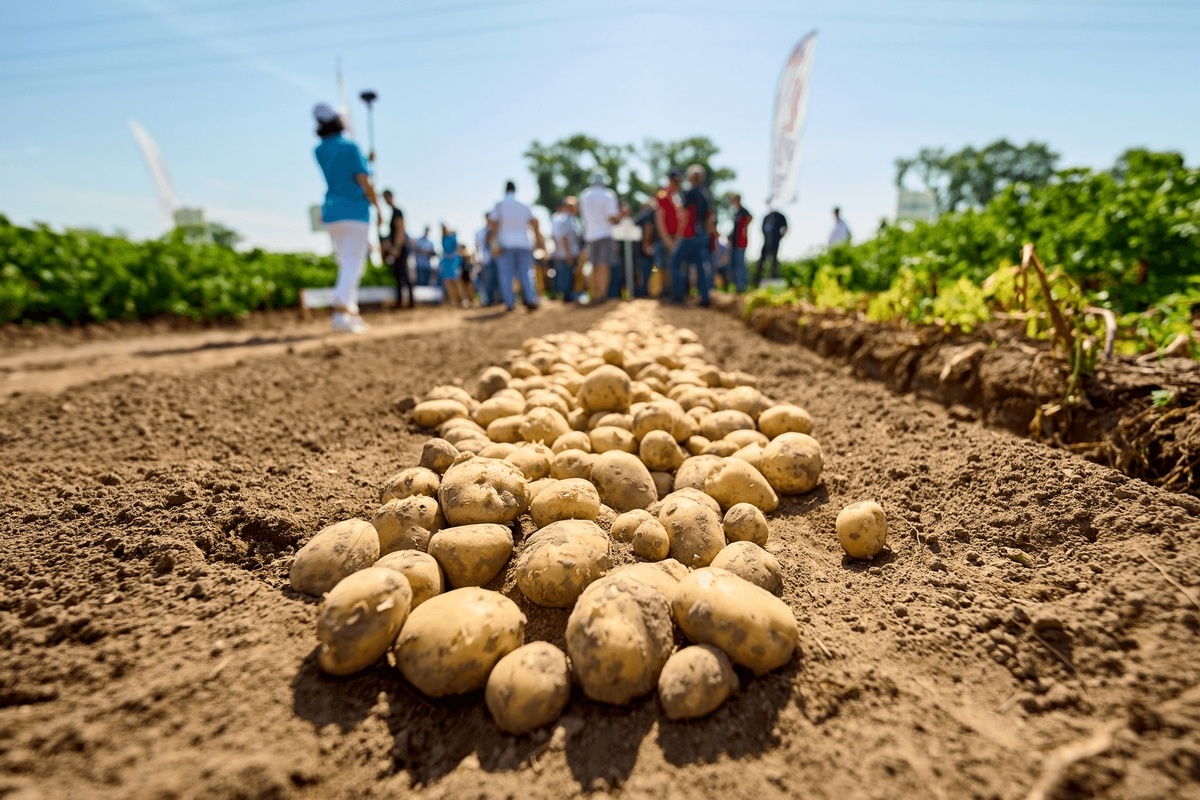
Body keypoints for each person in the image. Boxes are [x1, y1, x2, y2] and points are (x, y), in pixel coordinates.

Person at [312, 103, 380, 334]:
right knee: (354, 264)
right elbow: (363, 181)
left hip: (331, 211)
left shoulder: (320, 150)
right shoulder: (350, 147)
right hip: (355, 211)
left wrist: (365, 159)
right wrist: (378, 208)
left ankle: (351, 315)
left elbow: (342, 171)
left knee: (346, 264)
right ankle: (341, 310)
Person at [487, 181, 542, 312]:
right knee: (526, 273)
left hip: (505, 244)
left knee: (506, 275)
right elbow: (534, 222)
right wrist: (538, 240)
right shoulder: (524, 205)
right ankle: (530, 299)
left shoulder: (499, 205)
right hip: (524, 243)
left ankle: (510, 303)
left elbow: (494, 224)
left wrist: (492, 242)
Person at [668, 164, 714, 306]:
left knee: (675, 262)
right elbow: (709, 218)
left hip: (690, 234)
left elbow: (686, 216)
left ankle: (679, 295)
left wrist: (679, 235)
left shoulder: (691, 193)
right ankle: (705, 298)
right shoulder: (706, 194)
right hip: (701, 235)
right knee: (700, 266)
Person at [579, 173, 621, 303]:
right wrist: (620, 216)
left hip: (590, 235)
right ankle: (602, 295)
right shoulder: (608, 194)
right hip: (604, 234)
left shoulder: (584, 195)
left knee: (594, 265)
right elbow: (612, 217)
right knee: (604, 265)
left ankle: (594, 292)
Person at [380, 189, 413, 308]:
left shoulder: (397, 211)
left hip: (400, 248)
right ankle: (401, 302)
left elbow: (400, 230)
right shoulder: (393, 212)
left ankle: (410, 303)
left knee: (404, 274)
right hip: (397, 248)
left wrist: (396, 248)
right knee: (399, 275)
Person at [550, 196, 581, 302]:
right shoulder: (565, 219)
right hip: (567, 254)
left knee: (569, 276)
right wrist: (568, 254)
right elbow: (563, 237)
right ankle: (567, 297)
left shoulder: (572, 219)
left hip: (568, 253)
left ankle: (569, 296)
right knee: (566, 277)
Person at [654, 169, 683, 278]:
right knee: (662, 265)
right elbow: (659, 217)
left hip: (677, 236)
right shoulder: (663, 194)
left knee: (675, 264)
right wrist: (665, 238)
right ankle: (662, 290)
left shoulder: (679, 195)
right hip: (667, 236)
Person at [753, 207, 789, 286]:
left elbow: (785, 228)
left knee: (774, 261)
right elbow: (762, 229)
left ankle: (774, 278)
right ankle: (756, 280)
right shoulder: (767, 217)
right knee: (762, 260)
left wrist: (779, 237)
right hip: (766, 242)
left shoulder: (780, 216)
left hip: (775, 242)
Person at [631, 199, 658, 298]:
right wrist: (645, 244)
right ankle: (645, 291)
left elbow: (648, 227)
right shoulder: (645, 215)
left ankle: (646, 291)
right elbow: (648, 227)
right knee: (648, 270)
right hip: (643, 251)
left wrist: (645, 244)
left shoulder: (644, 216)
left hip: (643, 251)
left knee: (651, 270)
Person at [728, 193, 753, 293]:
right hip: (734, 243)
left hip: (740, 242)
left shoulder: (743, 211)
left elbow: (751, 217)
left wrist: (745, 229)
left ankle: (742, 285)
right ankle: (737, 284)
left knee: (740, 264)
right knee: (735, 265)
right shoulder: (736, 212)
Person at [474, 214, 498, 306]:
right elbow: (477, 246)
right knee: (487, 280)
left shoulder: (496, 231)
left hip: (496, 259)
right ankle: (488, 300)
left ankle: (498, 298)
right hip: (485, 259)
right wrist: (477, 258)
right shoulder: (481, 232)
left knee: (496, 279)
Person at [439, 224, 464, 307]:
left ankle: (463, 299)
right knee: (448, 281)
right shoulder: (443, 239)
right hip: (446, 262)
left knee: (457, 280)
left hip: (453, 261)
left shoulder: (453, 237)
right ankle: (453, 300)